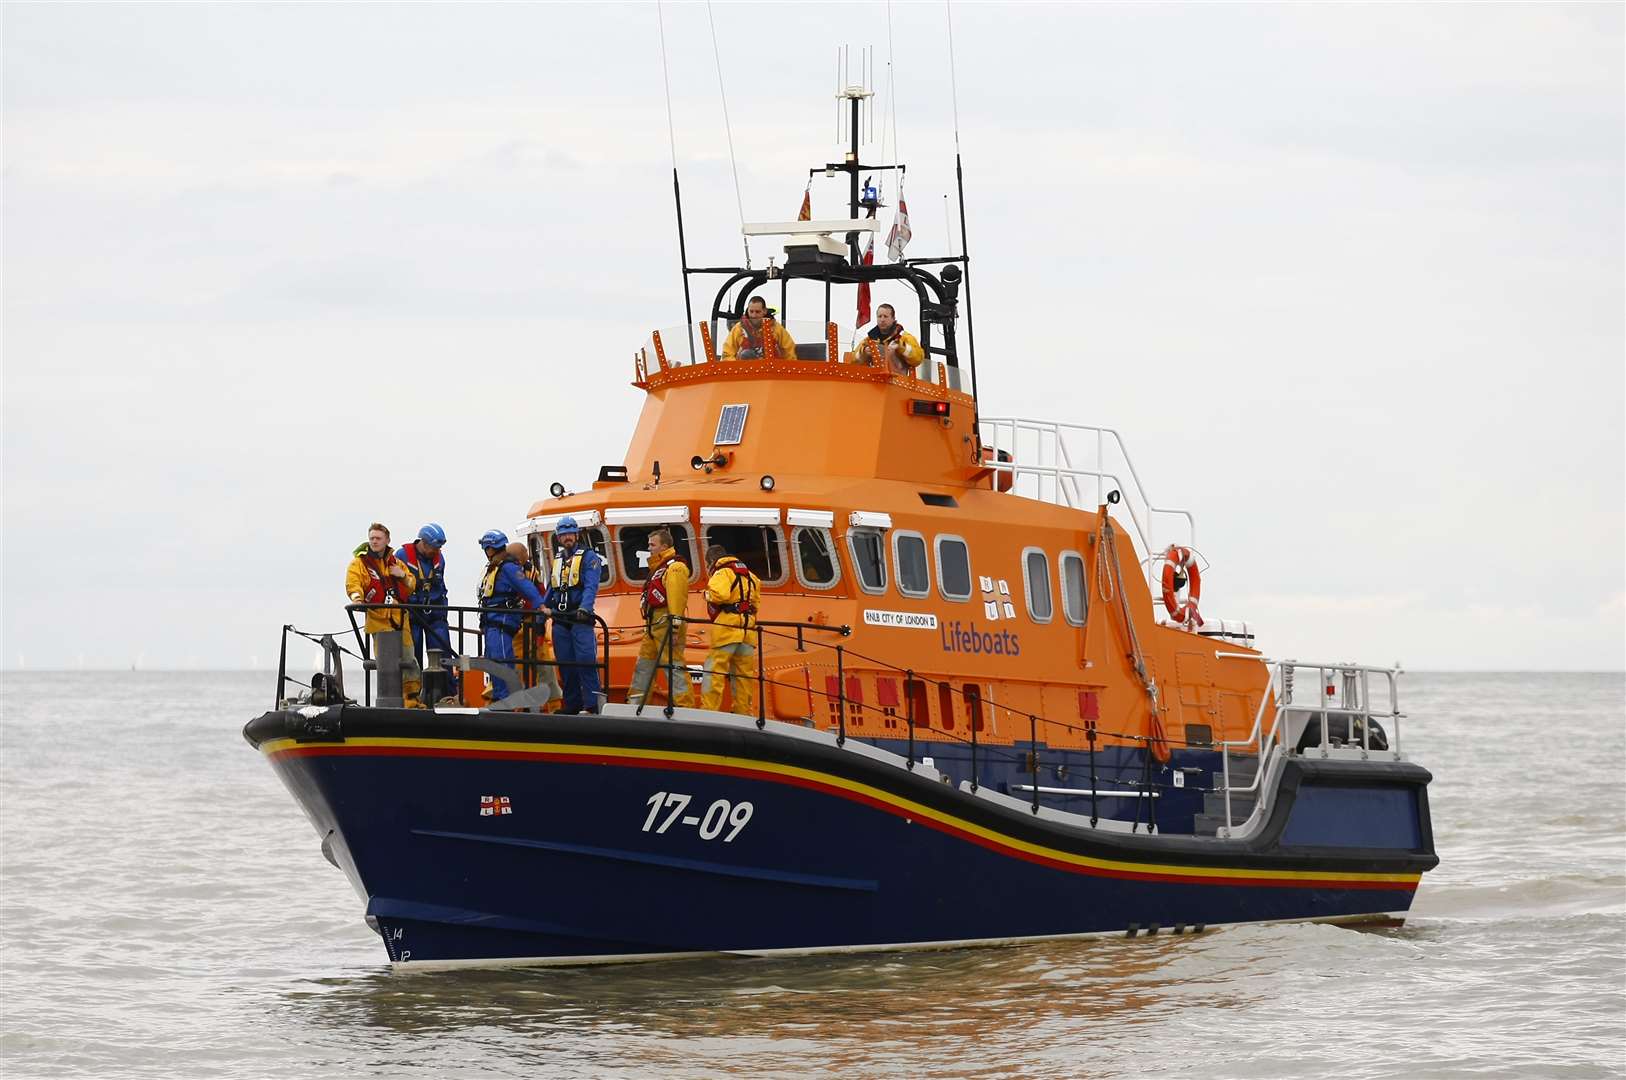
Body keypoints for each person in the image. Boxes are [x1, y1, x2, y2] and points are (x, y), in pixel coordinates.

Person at [345, 522, 423, 708]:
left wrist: (402, 576)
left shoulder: (397, 563)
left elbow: (411, 585)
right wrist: (357, 599)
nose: (374, 541)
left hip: (399, 619)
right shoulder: (359, 563)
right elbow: (353, 583)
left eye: (378, 538)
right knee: (385, 663)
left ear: (387, 540)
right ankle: (389, 701)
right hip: (378, 619)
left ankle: (411, 699)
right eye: (371, 538)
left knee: (409, 659)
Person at [542, 515, 606, 714]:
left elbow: (590, 586)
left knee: (586, 662)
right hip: (560, 620)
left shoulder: (589, 558)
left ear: (576, 534)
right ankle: (572, 705)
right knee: (566, 665)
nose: (567, 537)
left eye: (570, 533)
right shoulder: (558, 559)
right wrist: (541, 610)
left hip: (580, 619)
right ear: (559, 538)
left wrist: (584, 608)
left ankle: (592, 705)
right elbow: (552, 588)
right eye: (563, 534)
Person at [628, 527, 695, 710]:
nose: (649, 548)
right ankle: (635, 704)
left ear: (664, 546)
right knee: (643, 666)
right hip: (653, 626)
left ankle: (684, 706)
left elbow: (677, 600)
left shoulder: (675, 568)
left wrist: (674, 628)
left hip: (666, 624)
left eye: (652, 544)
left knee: (673, 666)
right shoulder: (658, 567)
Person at [476, 530, 544, 702]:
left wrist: (540, 606)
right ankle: (500, 696)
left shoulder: (508, 567)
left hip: (502, 621)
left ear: (489, 549)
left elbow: (527, 588)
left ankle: (507, 698)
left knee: (502, 658)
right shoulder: (495, 567)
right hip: (491, 621)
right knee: (493, 660)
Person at [700, 542, 762, 715]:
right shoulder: (750, 576)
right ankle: (742, 712)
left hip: (727, 629)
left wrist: (706, 594)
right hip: (747, 631)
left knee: (714, 671)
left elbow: (720, 595)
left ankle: (708, 711)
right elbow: (755, 603)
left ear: (711, 560)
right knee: (743, 675)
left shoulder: (722, 573)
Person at [397, 523, 457, 695]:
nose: (436, 551)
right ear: (423, 542)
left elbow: (441, 585)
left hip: (435, 614)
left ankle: (448, 695)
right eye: (434, 547)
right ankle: (412, 696)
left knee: (442, 652)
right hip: (412, 614)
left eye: (439, 547)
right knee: (412, 655)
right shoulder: (402, 556)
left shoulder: (439, 559)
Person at [507, 540, 562, 709]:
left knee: (545, 666)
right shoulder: (503, 571)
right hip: (513, 628)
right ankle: (510, 707)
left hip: (534, 626)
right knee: (511, 668)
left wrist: (540, 620)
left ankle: (554, 707)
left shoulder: (531, 572)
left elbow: (541, 594)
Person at [721, 295, 797, 360]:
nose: (754, 315)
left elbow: (790, 353)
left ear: (764, 311)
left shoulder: (776, 328)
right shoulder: (738, 329)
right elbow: (727, 354)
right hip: (745, 373)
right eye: (751, 311)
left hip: (772, 373)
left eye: (757, 312)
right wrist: (737, 367)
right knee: (746, 354)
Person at [865, 303, 925, 376]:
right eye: (879, 316)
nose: (882, 320)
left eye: (885, 316)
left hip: (898, 383)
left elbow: (918, 358)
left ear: (893, 318)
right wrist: (864, 352)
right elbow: (854, 360)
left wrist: (901, 348)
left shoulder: (904, 337)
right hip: (873, 382)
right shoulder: (870, 339)